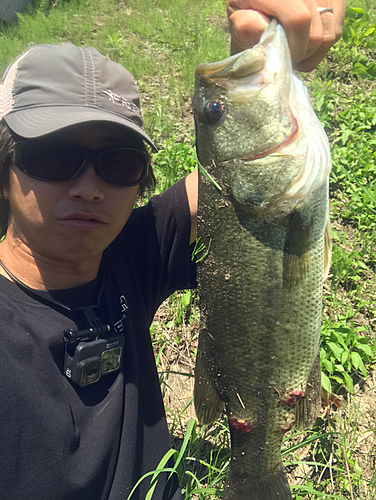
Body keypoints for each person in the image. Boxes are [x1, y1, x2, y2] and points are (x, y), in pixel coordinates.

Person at [0, 1, 345, 499]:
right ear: (4, 171)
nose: (89, 188)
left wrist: (258, 51)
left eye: (118, 163)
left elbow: (238, 186)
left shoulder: (126, 253)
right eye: (55, 156)